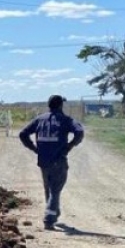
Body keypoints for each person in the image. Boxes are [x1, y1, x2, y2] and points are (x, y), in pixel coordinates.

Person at [19, 95, 84, 230]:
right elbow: (79, 132)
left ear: (49, 105)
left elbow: (23, 134)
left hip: (43, 161)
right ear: (60, 105)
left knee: (50, 189)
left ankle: (54, 211)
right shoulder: (65, 120)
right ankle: (49, 219)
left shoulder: (39, 119)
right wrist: (70, 145)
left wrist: (34, 148)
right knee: (55, 190)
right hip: (58, 160)